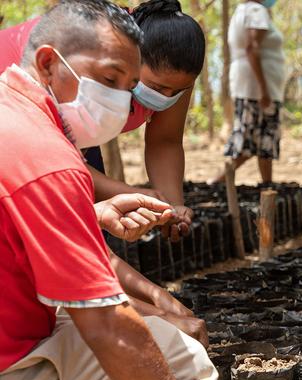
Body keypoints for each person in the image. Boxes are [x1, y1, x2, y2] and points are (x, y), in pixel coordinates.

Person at [0, 2, 216, 380]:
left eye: (127, 84)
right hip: (11, 364)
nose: (122, 100)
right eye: (109, 80)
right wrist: (155, 310)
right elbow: (107, 329)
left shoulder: (15, 111)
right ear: (47, 62)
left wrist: (93, 214)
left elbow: (34, 222)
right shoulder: (50, 163)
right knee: (183, 367)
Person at [0, 0, 206, 242]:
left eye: (177, 91)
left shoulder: (174, 75)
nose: (166, 98)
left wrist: (172, 206)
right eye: (156, 88)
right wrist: (139, 197)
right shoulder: (78, 62)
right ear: (129, 61)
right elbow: (51, 162)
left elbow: (165, 141)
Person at [209, 0, 286, 185]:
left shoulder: (243, 11)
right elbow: (252, 48)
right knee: (248, 143)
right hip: (257, 88)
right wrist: (264, 89)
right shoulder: (256, 10)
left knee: (263, 141)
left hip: (250, 86)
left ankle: (267, 185)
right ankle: (217, 181)